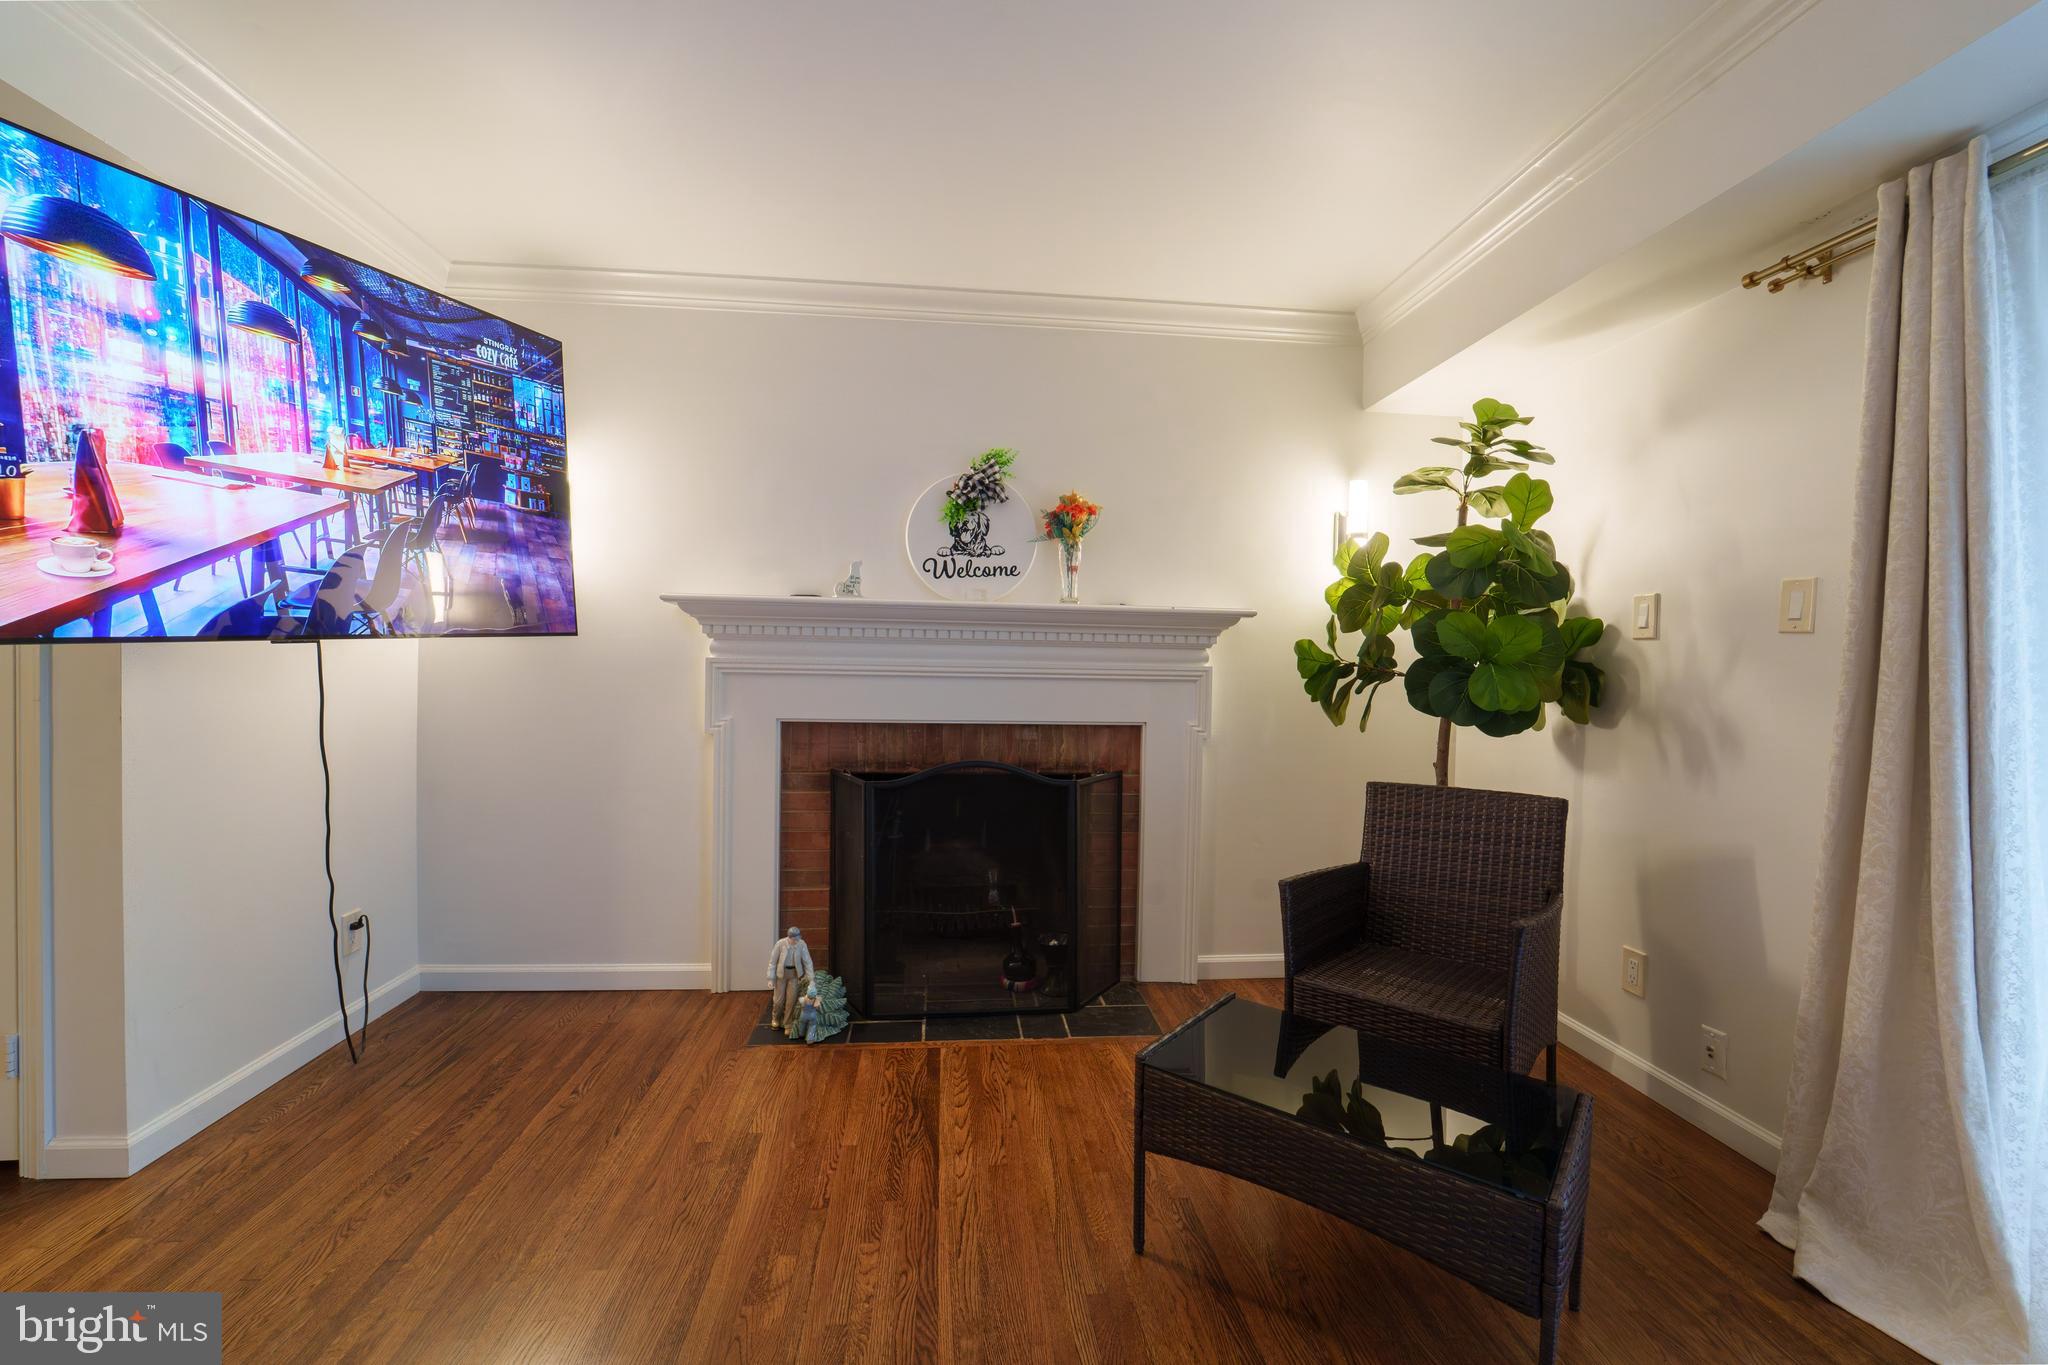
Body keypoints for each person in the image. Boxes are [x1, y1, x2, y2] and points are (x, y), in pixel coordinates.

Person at [766, 926, 814, 1029]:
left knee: (791, 1001)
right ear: (789, 938)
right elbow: (772, 962)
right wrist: (770, 978)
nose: (797, 941)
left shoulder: (802, 944)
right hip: (781, 975)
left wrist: (811, 979)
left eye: (798, 938)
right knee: (778, 1000)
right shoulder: (780, 944)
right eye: (794, 939)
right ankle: (776, 1018)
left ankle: (787, 1022)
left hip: (794, 975)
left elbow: (807, 962)